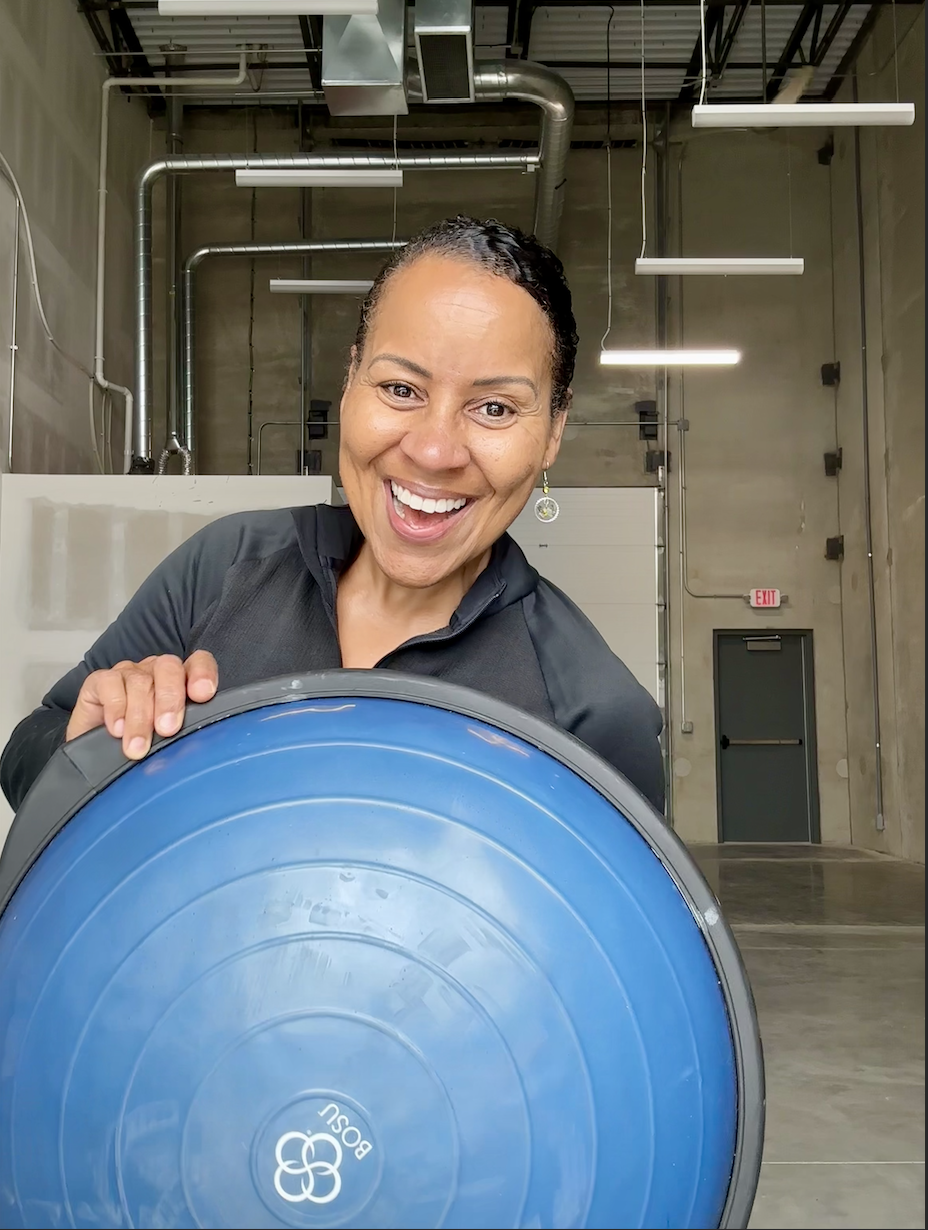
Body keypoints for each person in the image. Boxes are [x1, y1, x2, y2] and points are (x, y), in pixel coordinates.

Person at [0, 216, 664, 813]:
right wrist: (91, 746)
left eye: (494, 408)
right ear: (350, 382)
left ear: (552, 431)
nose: (433, 451)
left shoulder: (592, 714)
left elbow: (622, 940)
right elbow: (29, 754)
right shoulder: (224, 569)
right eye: (400, 388)